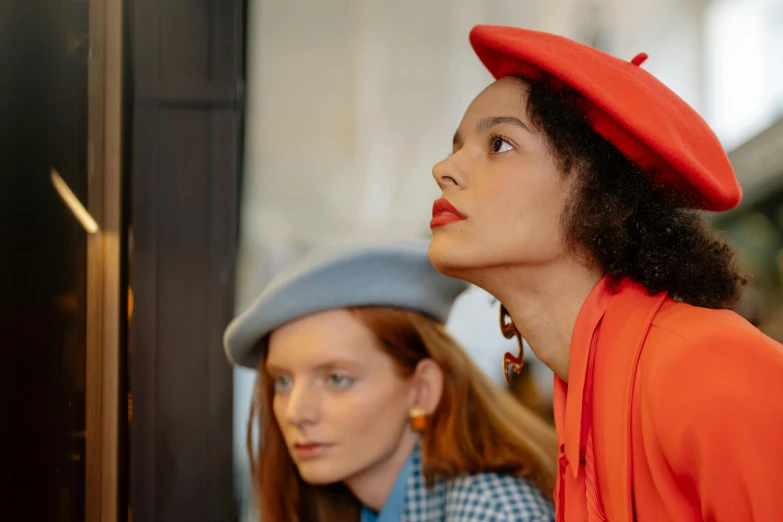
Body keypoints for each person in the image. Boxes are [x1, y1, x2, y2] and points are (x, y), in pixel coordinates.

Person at [427, 25, 783, 522]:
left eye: (500, 143)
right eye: (456, 145)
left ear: (600, 193)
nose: (443, 168)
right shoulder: (581, 394)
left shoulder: (703, 366)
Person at [224, 240, 557, 522]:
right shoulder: (347, 503)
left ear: (421, 390)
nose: (296, 412)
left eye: (337, 378)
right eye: (282, 381)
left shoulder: (490, 512)